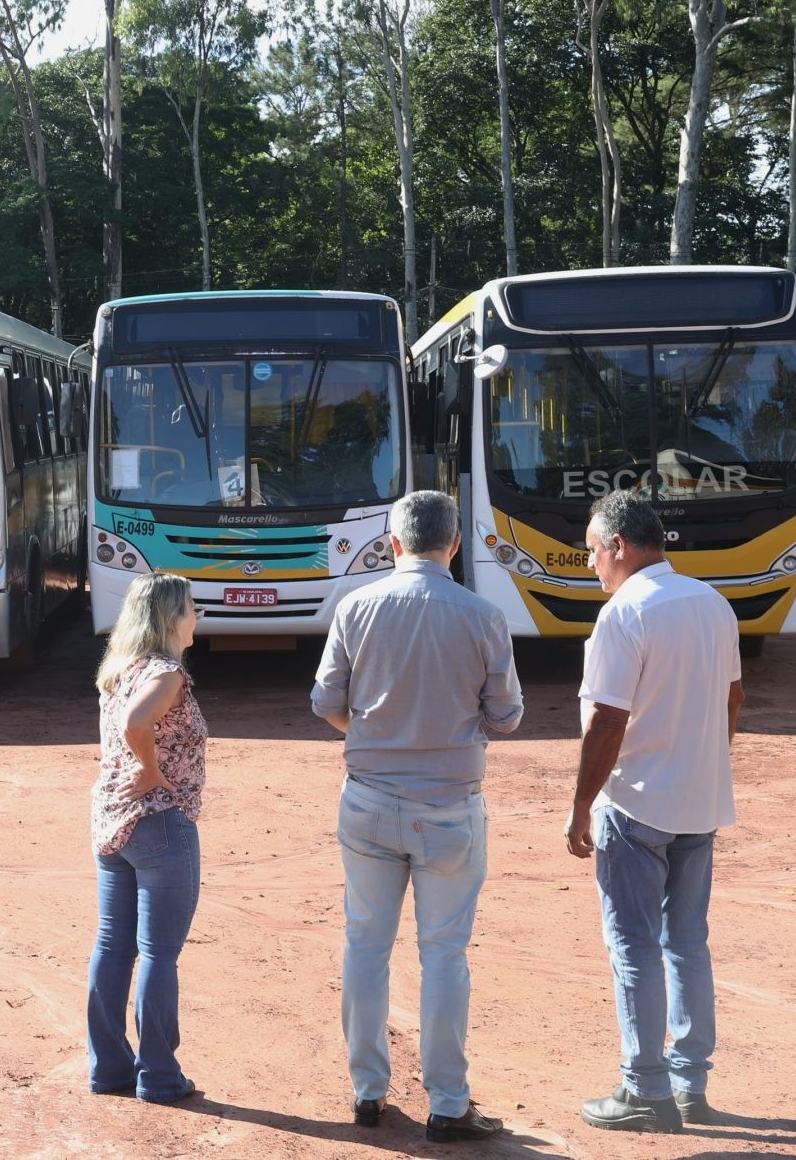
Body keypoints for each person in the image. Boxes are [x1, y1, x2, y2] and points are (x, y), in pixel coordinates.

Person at [312, 489, 525, 1142]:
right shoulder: (483, 615)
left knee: (366, 946)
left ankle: (367, 1089)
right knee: (444, 954)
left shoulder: (355, 606)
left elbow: (326, 700)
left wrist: (376, 733)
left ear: (393, 543)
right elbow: (507, 716)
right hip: (449, 809)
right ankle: (449, 1101)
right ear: (454, 544)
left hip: (369, 798)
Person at [568, 489, 741, 1134]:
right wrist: (706, 761)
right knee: (687, 943)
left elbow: (607, 721)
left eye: (592, 551)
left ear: (619, 545)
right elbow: (733, 697)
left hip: (636, 803)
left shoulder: (624, 615)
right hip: (699, 804)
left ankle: (645, 1087)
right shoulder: (711, 603)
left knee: (634, 945)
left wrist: (581, 805)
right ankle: (690, 1084)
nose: (591, 565)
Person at [86, 572, 207, 1105]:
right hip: (160, 822)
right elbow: (139, 724)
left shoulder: (119, 671)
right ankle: (158, 1077)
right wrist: (153, 769)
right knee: (158, 952)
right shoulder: (166, 673)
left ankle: (110, 1067)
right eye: (191, 608)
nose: (196, 617)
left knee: (114, 947)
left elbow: (129, 722)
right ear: (171, 617)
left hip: (113, 823)